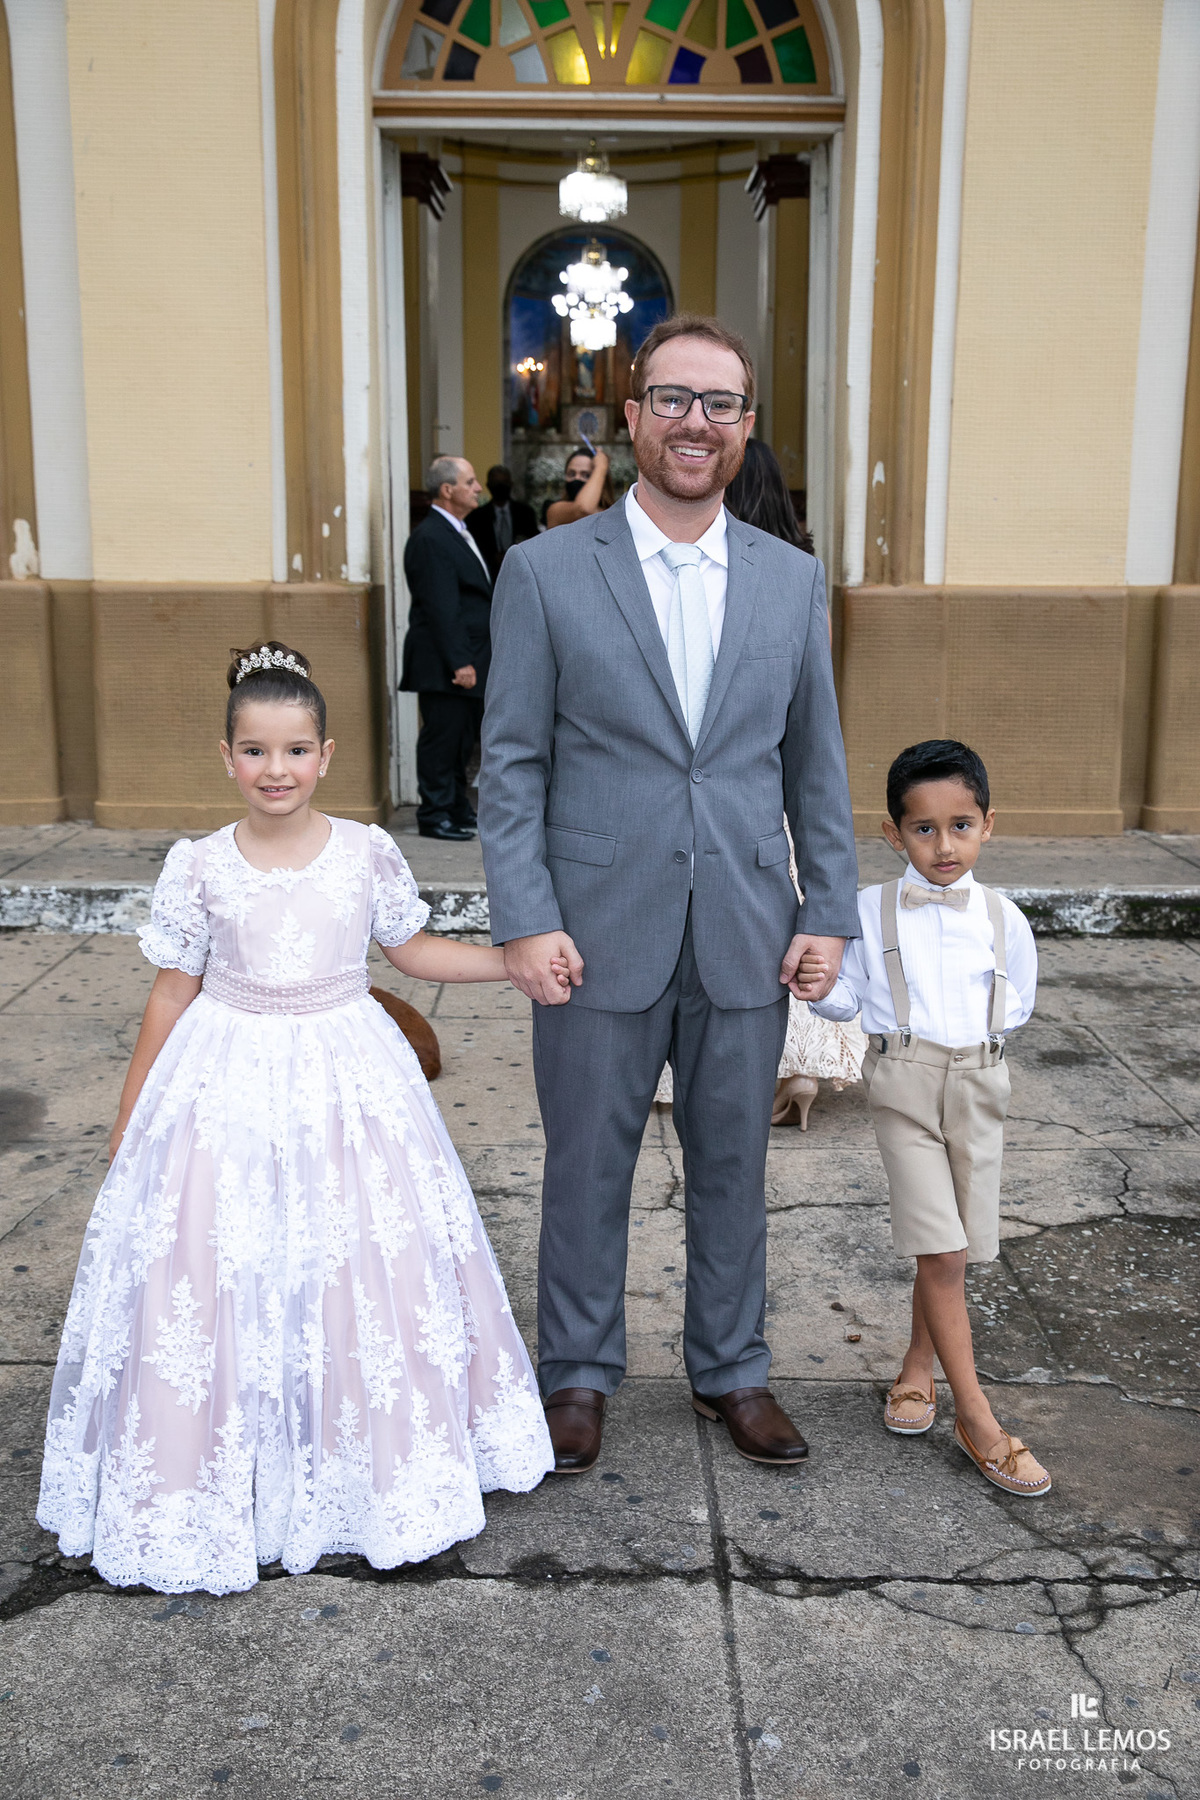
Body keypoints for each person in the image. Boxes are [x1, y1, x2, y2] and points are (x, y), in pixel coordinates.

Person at [37, 642, 553, 1594]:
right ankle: (213, 1477)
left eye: (296, 750)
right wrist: (134, 1111)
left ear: (328, 754)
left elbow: (415, 950)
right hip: (223, 1073)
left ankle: (365, 1469)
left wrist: (509, 963)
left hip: (346, 1072)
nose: (277, 770)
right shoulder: (198, 865)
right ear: (226, 757)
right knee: (217, 1263)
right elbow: (169, 992)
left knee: (358, 1260)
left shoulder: (366, 851)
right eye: (256, 751)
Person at [479, 313, 860, 1475]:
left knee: (735, 1162)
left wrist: (829, 911)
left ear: (745, 428)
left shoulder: (793, 583)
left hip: (746, 923)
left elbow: (815, 762)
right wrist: (525, 916)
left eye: (723, 404)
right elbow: (512, 764)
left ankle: (732, 1370)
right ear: (633, 415)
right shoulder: (546, 573)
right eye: (676, 399)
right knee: (585, 1161)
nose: (699, 422)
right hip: (593, 929)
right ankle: (578, 1374)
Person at [809, 739, 1050, 1497]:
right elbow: (845, 999)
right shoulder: (868, 910)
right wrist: (817, 985)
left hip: (980, 1080)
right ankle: (979, 1419)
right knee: (941, 1252)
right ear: (893, 833)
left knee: (955, 1244)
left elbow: (1016, 1007)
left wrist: (977, 1056)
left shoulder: (1004, 917)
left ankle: (919, 1367)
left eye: (961, 825)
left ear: (987, 826)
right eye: (923, 828)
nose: (943, 845)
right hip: (904, 1082)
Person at [655, 435, 865, 1129]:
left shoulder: (792, 578)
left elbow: (811, 725)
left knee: (760, 956)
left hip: (750, 824)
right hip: (746, 814)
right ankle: (792, 1076)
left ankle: (764, 1076)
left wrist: (831, 912)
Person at [401, 456, 493, 841]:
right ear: (447, 490)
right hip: (446, 664)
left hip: (466, 658)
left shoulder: (456, 531)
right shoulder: (431, 537)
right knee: (442, 739)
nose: (477, 488)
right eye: (470, 482)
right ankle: (435, 813)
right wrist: (460, 661)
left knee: (460, 741)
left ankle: (455, 806)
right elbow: (443, 606)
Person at [467, 464, 539, 583]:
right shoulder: (476, 517)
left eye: (504, 482)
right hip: (489, 577)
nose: (500, 487)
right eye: (496, 483)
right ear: (488, 486)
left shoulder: (525, 512)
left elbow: (534, 539)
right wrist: (493, 558)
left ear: (511, 484)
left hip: (521, 573)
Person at [543, 445, 613, 529]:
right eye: (572, 474)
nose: (577, 478)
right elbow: (583, 509)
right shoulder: (556, 510)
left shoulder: (614, 513)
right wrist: (601, 466)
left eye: (586, 475)